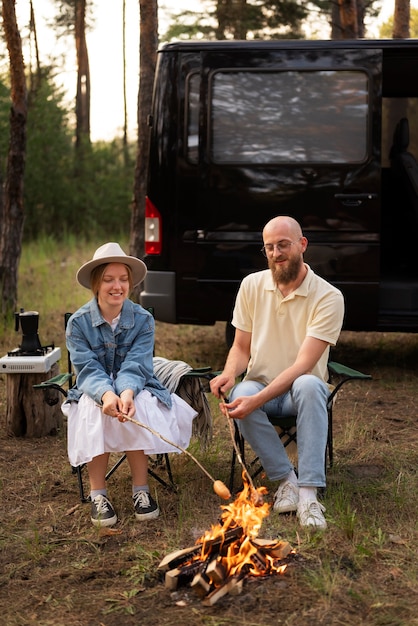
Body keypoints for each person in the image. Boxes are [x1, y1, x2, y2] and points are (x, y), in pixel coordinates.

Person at [210, 216, 344, 530]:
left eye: (283, 245)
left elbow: (302, 365)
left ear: (302, 244)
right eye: (269, 247)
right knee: (240, 391)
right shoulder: (251, 285)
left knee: (311, 385)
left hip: (299, 391)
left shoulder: (328, 297)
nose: (275, 253)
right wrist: (231, 374)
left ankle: (309, 495)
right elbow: (241, 347)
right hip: (260, 384)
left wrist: (256, 400)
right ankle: (287, 480)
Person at [62, 242, 197, 527]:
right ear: (96, 283)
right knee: (91, 409)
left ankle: (141, 490)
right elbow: (87, 369)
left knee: (140, 406)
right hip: (94, 387)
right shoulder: (78, 323)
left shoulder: (143, 319)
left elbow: (137, 364)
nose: (117, 286)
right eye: (109, 279)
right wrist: (107, 395)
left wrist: (125, 393)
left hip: (134, 384)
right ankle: (98, 493)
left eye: (123, 279)